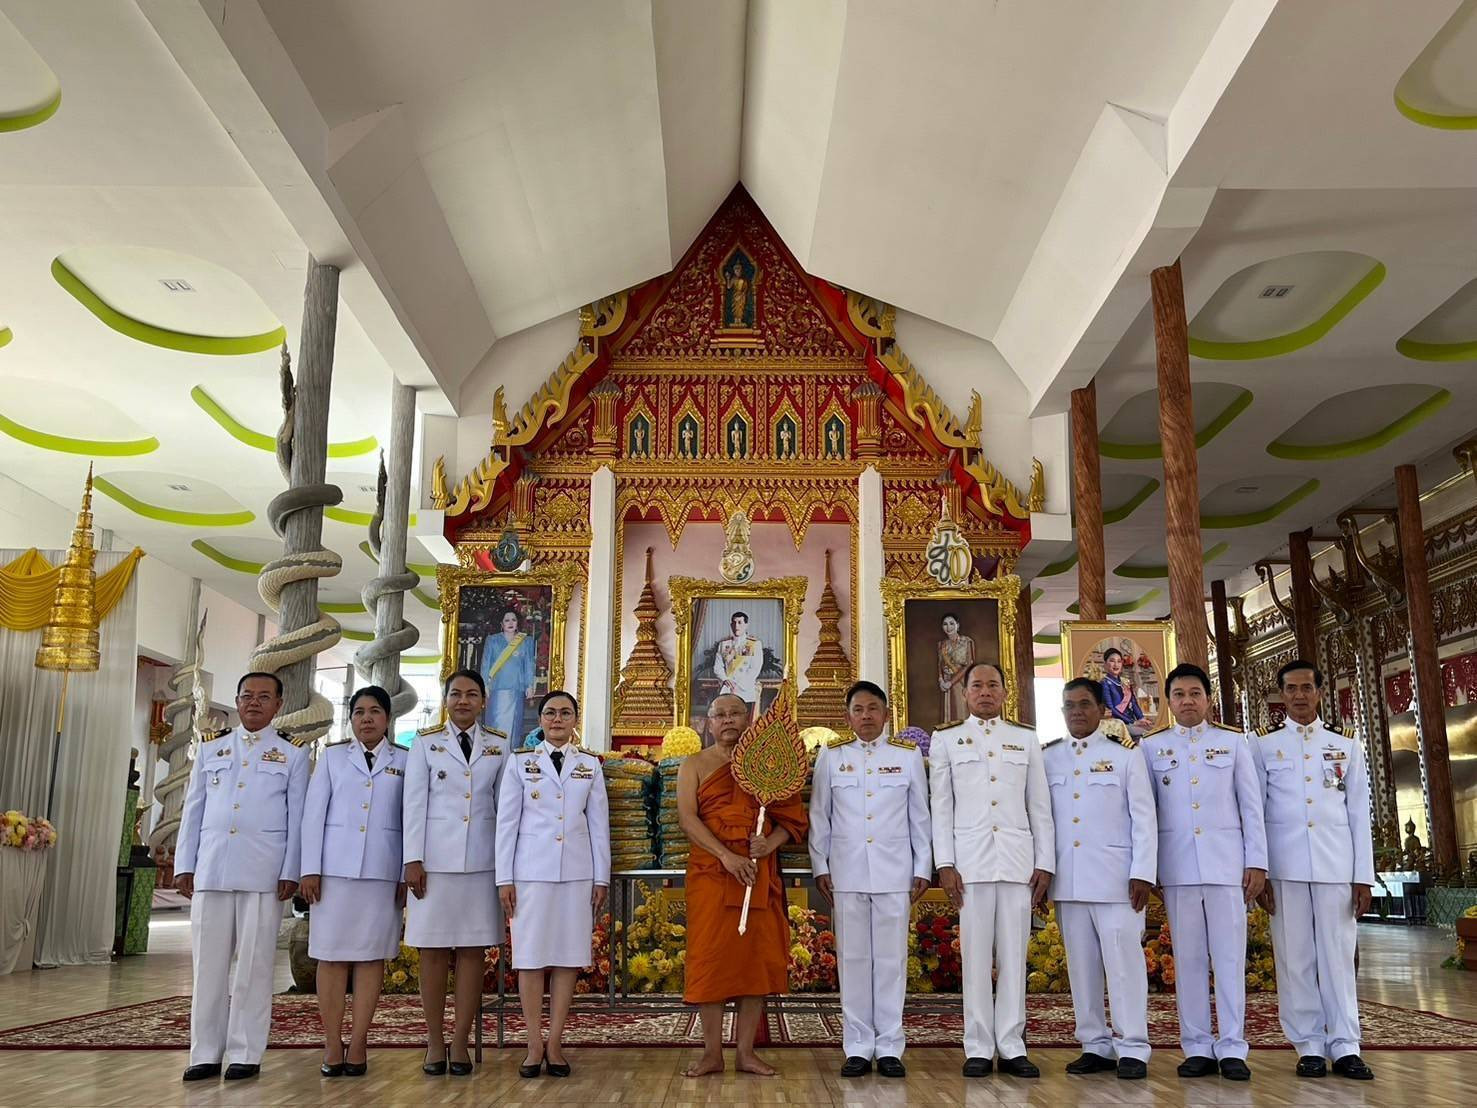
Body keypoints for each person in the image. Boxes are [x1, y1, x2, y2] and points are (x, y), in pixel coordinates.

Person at [175, 672, 308, 1083]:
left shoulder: (293, 754)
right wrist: (185, 863)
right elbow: (193, 809)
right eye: (247, 695)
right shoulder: (212, 747)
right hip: (213, 867)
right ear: (236, 700)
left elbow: (298, 818)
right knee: (208, 967)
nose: (254, 703)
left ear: (278, 705)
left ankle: (246, 1052)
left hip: (263, 872)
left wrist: (292, 870)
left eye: (263, 697)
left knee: (254, 967)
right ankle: (204, 1052)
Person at [1250, 660, 1375, 1081]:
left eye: (1306, 687)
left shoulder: (1346, 745)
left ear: (1320, 692)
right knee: (1295, 957)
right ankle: (1308, 1045)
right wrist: (1261, 869)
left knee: (1338, 957)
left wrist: (1363, 876)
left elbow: (1358, 814)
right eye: (1291, 688)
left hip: (1334, 865)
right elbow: (1257, 813)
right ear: (1280, 695)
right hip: (1285, 868)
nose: (1299, 695)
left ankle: (1346, 1044)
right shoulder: (1263, 747)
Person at [1142, 663, 1266, 1081]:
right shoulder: (1150, 748)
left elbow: (1252, 808)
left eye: (1195, 693)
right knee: (1189, 960)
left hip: (1226, 866)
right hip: (1177, 868)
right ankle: (1196, 1046)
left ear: (1208, 698)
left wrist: (1256, 862)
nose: (1187, 701)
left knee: (1229, 958)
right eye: (1179, 694)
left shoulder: (1233, 743)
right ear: (1169, 701)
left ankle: (1232, 1046)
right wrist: (1150, 867)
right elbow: (1146, 814)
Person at [929, 662, 1054, 1078]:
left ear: (1005, 692)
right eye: (977, 685)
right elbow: (941, 807)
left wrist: (1045, 863)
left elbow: (1040, 806)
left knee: (1016, 956)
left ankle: (1013, 1044)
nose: (985, 692)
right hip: (970, 863)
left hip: (1017, 862)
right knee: (977, 957)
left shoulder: (1024, 738)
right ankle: (979, 1045)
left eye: (993, 685)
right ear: (964, 693)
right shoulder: (946, 740)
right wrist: (944, 863)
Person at [678, 692, 808, 1078]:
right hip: (713, 874)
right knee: (711, 961)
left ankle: (746, 1052)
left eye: (736, 713)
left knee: (755, 964)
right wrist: (725, 856)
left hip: (757, 872)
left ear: (748, 719)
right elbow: (687, 819)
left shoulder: (768, 764)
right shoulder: (695, 765)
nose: (728, 720)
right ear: (708, 722)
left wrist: (770, 843)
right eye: (720, 714)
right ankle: (712, 1053)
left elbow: (792, 818)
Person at [808, 681, 931, 1079]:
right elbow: (819, 816)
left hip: (895, 871)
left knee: (892, 960)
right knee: (855, 960)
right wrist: (820, 866)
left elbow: (920, 817)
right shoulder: (831, 756)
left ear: (885, 714)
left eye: (873, 709)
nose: (866, 716)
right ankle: (858, 1046)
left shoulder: (907, 757)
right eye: (858, 709)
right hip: (846, 871)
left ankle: (890, 1046)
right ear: (847, 716)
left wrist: (921, 867)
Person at [1044, 678, 1156, 1080]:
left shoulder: (1125, 757)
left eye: (1084, 704)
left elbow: (1144, 818)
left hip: (1118, 882)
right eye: (1069, 705)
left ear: (1101, 709)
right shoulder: (1049, 758)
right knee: (1082, 966)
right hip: (1070, 882)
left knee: (1124, 964)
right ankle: (1094, 1043)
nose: (1076, 711)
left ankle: (1132, 1047)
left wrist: (1143, 871)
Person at [496, 691, 611, 1079]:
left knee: (567, 958)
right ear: (540, 720)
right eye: (550, 713)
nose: (557, 719)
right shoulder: (520, 764)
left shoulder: (589, 765)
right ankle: (532, 1043)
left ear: (575, 719)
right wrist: (504, 878)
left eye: (565, 713)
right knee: (529, 958)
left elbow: (598, 826)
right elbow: (506, 824)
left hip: (576, 874)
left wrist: (601, 877)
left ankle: (556, 1042)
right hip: (529, 874)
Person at [403, 670, 510, 1076]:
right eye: (455, 694)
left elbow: (504, 809)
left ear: (483, 701)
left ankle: (461, 1040)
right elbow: (413, 805)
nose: (463, 701)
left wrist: (506, 868)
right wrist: (412, 859)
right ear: (445, 699)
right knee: (431, 953)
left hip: (483, 863)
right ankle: (434, 1041)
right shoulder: (425, 744)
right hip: (433, 865)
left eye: (471, 694)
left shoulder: (499, 745)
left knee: (472, 953)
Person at [299, 685, 407, 1078]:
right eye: (359, 711)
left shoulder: (405, 761)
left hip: (381, 874)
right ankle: (331, 1043)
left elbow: (408, 821)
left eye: (374, 711)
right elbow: (313, 816)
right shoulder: (332, 759)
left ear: (388, 719)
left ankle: (359, 1042)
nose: (366, 718)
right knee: (331, 956)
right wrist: (309, 868)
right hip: (333, 874)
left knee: (370, 957)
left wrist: (402, 873)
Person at [482, 609, 536, 739]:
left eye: (514, 620)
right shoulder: (492, 640)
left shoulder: (526, 641)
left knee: (514, 726)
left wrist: (529, 685)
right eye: (507, 620)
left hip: (516, 689)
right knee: (496, 724)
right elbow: (486, 663)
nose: (510, 623)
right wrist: (484, 685)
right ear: (501, 623)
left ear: (518, 623)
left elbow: (529, 664)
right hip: (496, 689)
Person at [713, 611, 764, 709]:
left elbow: (755, 668)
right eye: (734, 622)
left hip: (745, 690)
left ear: (746, 625)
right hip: (727, 689)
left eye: (740, 622)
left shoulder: (754, 644)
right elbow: (717, 667)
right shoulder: (724, 645)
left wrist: (738, 684)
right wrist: (725, 679)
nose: (736, 626)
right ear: (731, 624)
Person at [936, 613, 975, 723]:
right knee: (947, 713)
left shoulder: (967, 642)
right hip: (946, 683)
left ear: (957, 625)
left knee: (960, 710)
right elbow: (939, 664)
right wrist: (941, 680)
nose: (949, 627)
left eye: (952, 623)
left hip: (961, 681)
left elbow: (969, 664)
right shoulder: (941, 644)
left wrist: (951, 682)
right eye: (945, 624)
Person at [1101, 649, 1147, 738]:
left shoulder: (1125, 682)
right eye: (1112, 661)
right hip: (1118, 724)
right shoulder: (1104, 684)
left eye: (1119, 661)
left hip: (1131, 721)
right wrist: (1132, 722)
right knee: (1146, 734)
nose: (1116, 664)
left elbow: (1133, 703)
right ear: (1105, 664)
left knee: (1152, 729)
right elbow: (1111, 708)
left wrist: (1141, 718)